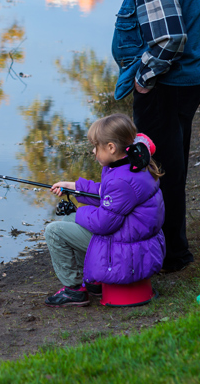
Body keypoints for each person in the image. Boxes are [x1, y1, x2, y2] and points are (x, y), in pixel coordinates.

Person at [110, 0, 200, 273]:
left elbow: (169, 38)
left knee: (159, 171)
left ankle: (171, 255)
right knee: (171, 166)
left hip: (166, 87)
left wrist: (143, 79)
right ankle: (173, 249)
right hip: (185, 83)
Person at [43, 114, 164, 307]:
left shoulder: (121, 180)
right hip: (132, 243)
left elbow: (103, 222)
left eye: (95, 146)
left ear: (110, 147)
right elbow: (106, 193)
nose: (93, 151)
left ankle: (74, 289)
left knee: (54, 231)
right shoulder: (132, 164)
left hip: (125, 254)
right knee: (69, 221)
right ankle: (95, 282)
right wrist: (73, 187)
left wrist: (78, 212)